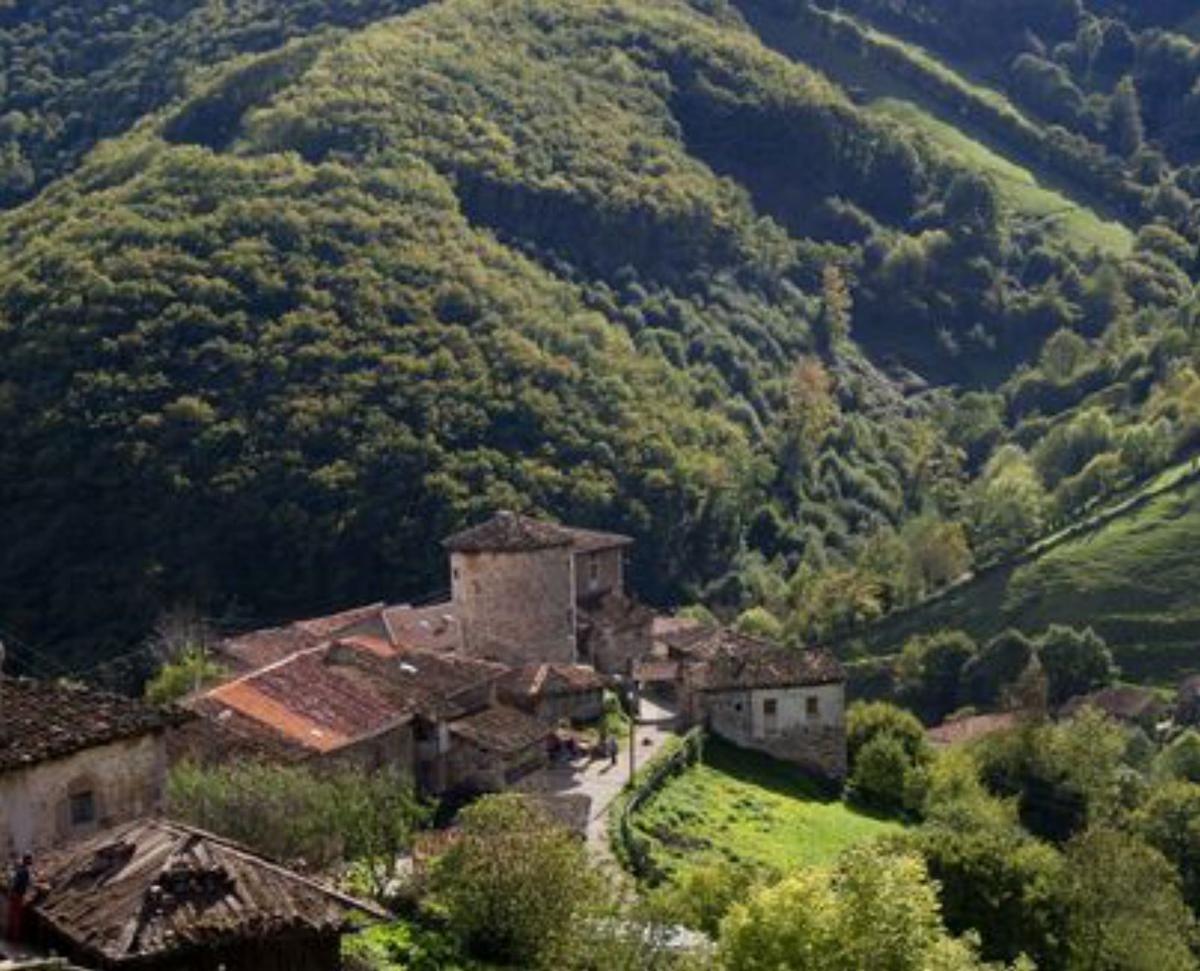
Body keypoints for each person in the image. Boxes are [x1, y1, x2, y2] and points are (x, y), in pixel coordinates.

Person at [7, 854, 32, 944]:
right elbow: (25, 883)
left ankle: (9, 936)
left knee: (11, 915)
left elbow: (15, 881)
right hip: (18, 895)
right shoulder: (25, 871)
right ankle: (15, 938)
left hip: (14, 894)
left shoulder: (19, 869)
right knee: (17, 917)